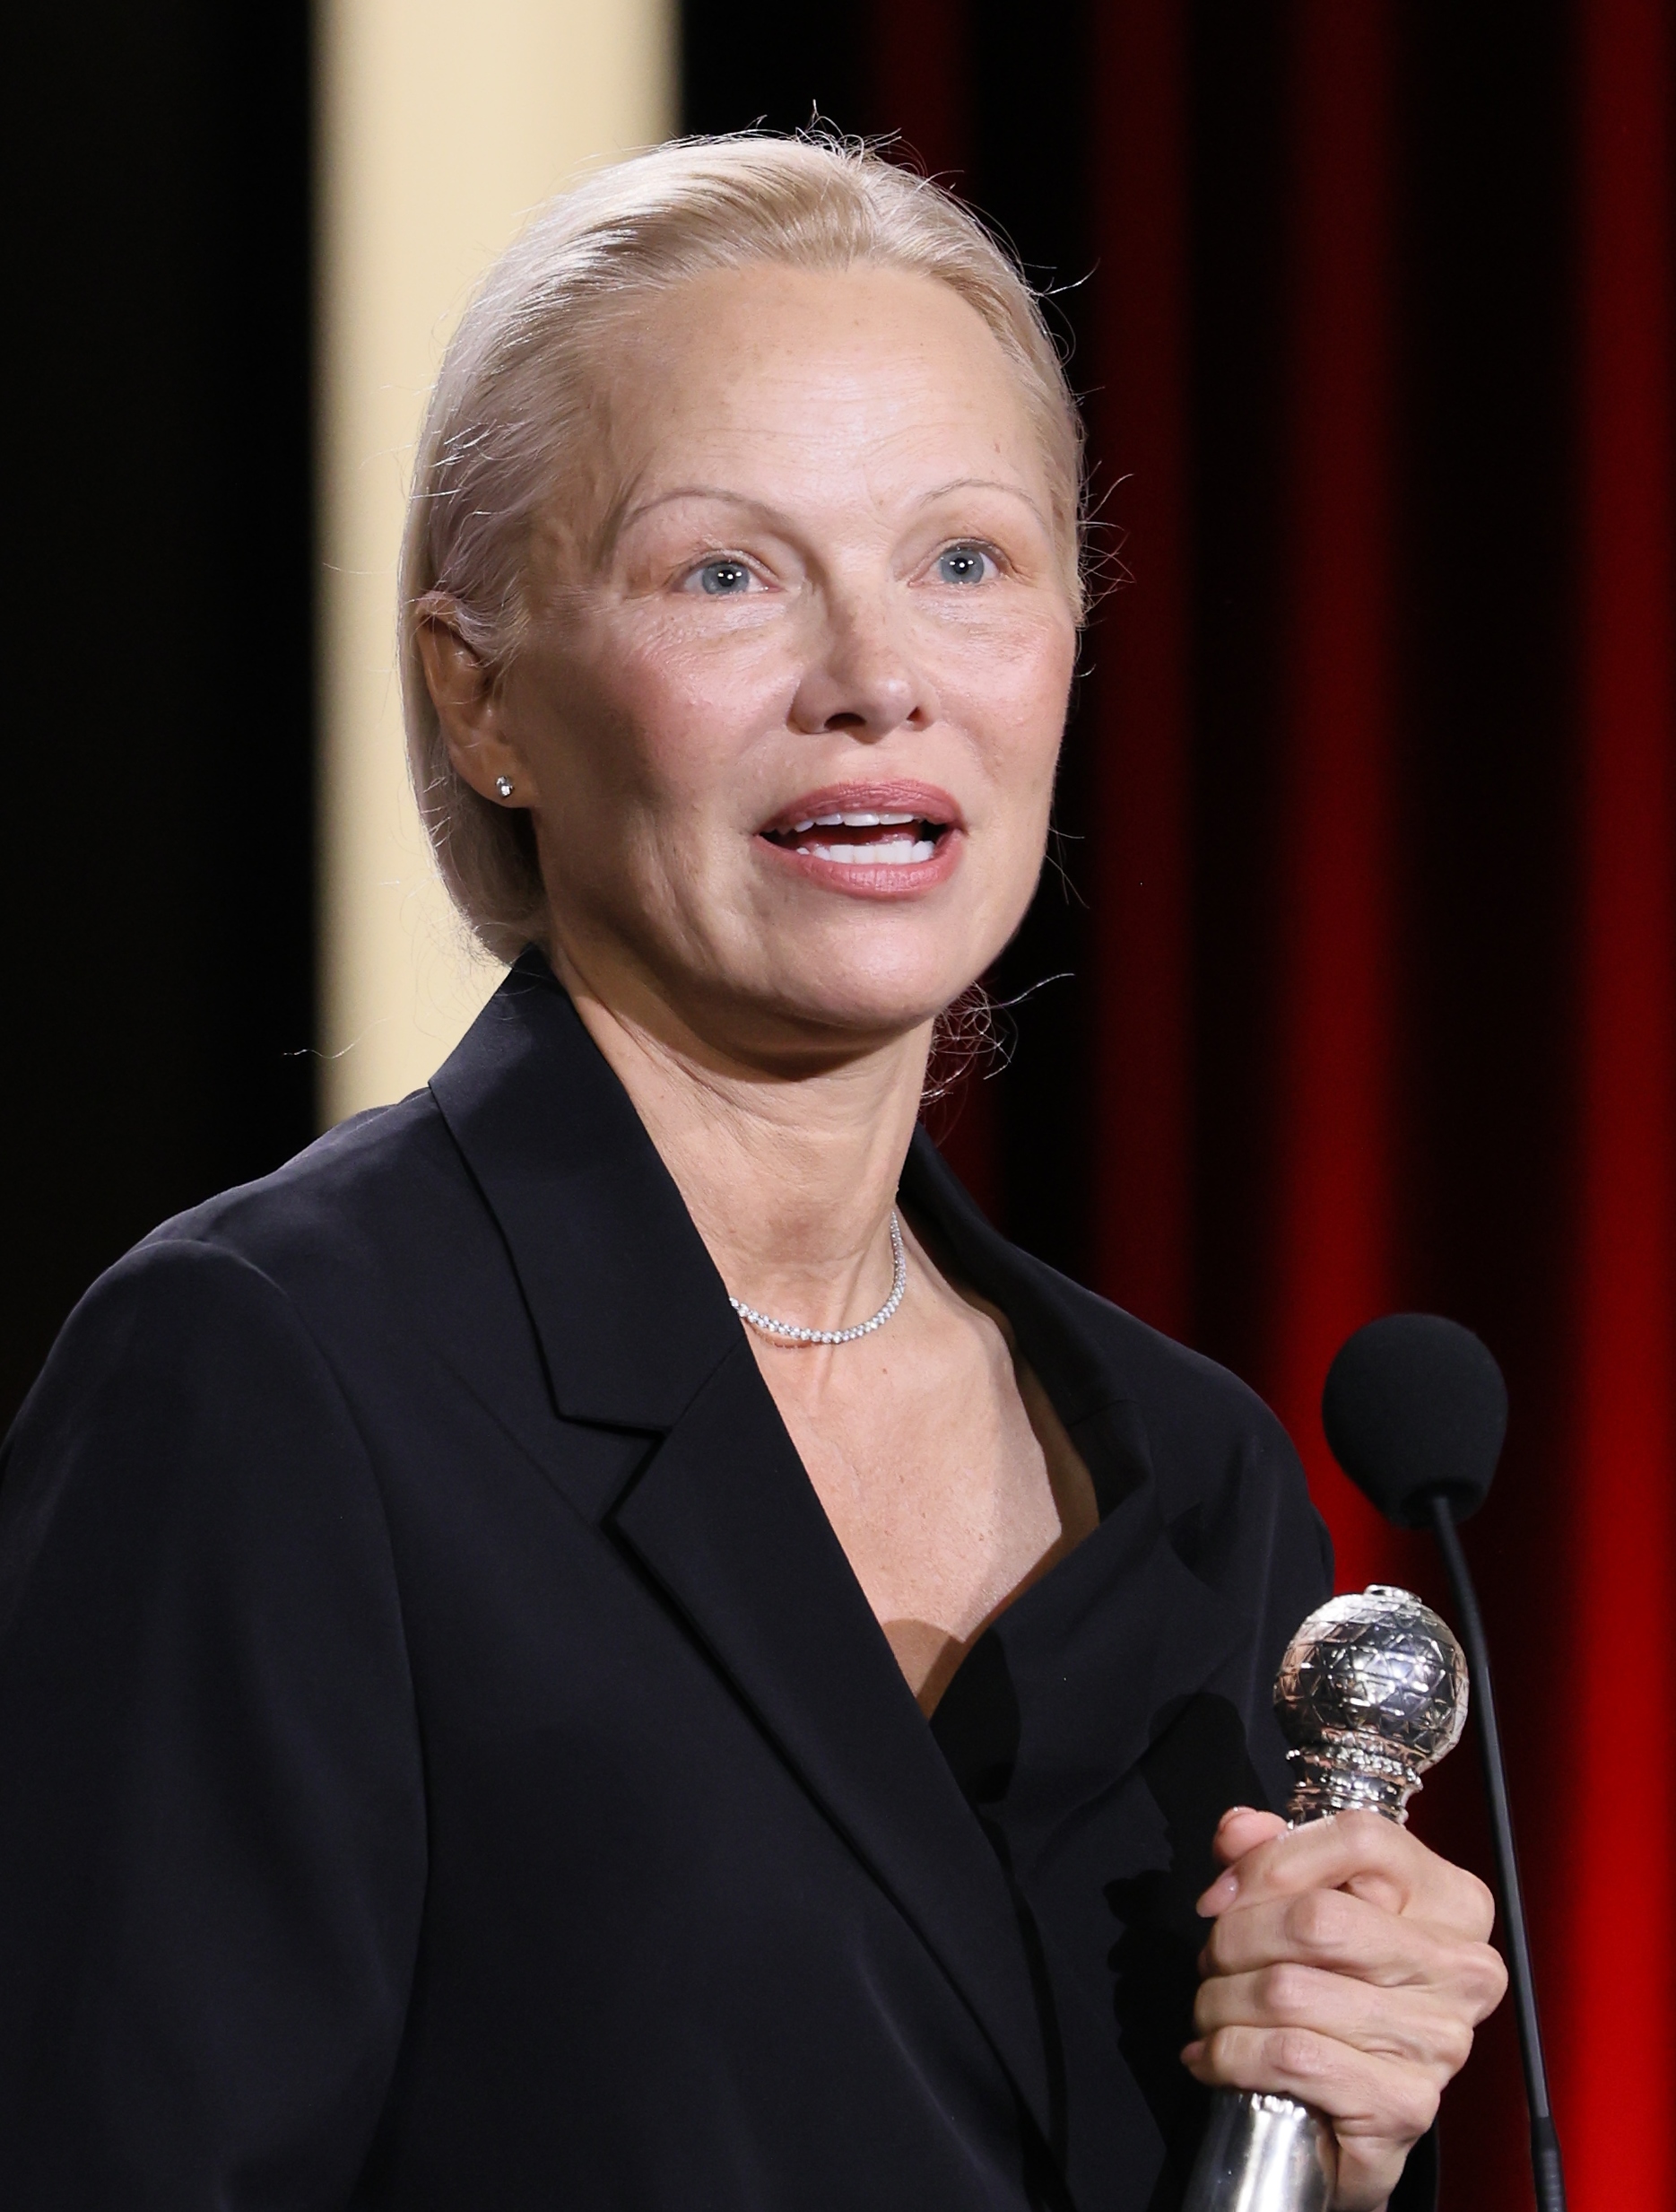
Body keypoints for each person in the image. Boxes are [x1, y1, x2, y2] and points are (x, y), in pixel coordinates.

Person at [0, 136, 1504, 2211]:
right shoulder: (274, 1379)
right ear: (483, 692)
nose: (874, 676)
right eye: (727, 572)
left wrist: (1337, 2150)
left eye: (963, 560)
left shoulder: (1184, 1475)